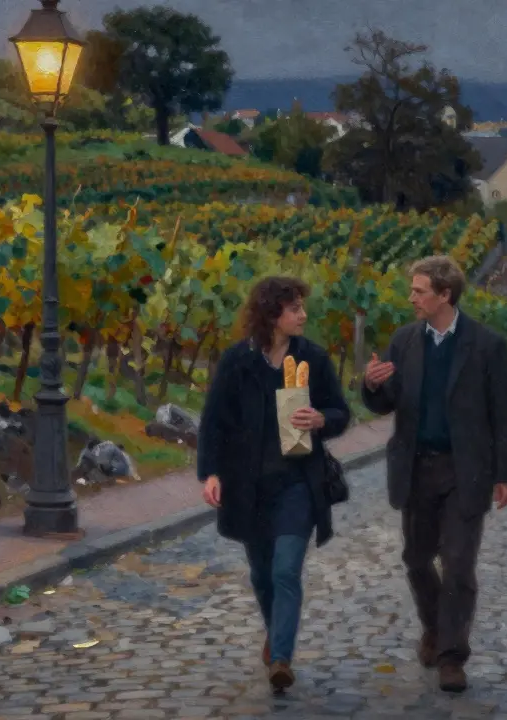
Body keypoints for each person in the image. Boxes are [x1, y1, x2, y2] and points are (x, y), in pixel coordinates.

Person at [361, 255, 507, 693]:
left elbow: (504, 415)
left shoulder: (486, 345)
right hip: (416, 468)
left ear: (444, 295)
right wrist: (373, 384)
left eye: (419, 291)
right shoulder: (404, 341)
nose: (411, 298)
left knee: (458, 565)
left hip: (465, 470)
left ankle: (453, 656)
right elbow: (385, 401)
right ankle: (435, 626)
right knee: (416, 559)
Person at [197, 276, 352, 692]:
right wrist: (210, 474)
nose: (303, 315)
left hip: (298, 483)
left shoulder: (313, 360)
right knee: (262, 575)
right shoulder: (237, 362)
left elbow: (341, 411)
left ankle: (281, 656)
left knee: (286, 570)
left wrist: (322, 419)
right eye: (295, 309)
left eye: (302, 307)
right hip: (247, 488)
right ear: (271, 315)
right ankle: (275, 636)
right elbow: (213, 423)